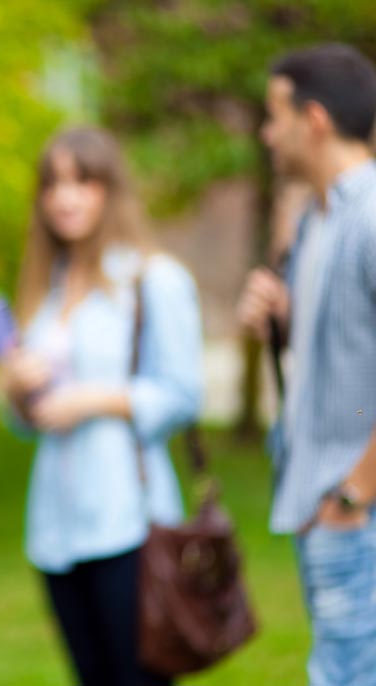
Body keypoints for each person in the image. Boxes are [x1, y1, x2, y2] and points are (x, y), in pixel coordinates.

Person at [0, 127, 202, 686]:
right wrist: (18, 392)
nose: (65, 197)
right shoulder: (47, 285)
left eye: (82, 181)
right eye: (53, 184)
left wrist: (93, 400)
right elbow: (26, 423)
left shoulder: (151, 279)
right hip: (56, 524)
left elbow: (183, 395)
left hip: (127, 519)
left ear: (111, 189)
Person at [237, 43, 376, 686]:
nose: (268, 134)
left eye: (275, 115)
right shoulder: (318, 221)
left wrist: (354, 494)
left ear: (313, 119)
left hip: (356, 515)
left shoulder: (371, 216)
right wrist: (284, 317)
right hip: (321, 506)